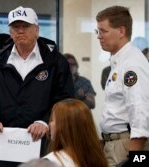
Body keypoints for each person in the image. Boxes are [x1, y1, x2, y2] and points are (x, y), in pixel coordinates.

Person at [0, 6, 74, 166]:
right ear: (10, 31)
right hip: (3, 142)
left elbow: (65, 100)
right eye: (15, 27)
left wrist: (45, 122)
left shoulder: (55, 61)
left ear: (36, 30)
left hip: (43, 142)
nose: (20, 31)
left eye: (25, 26)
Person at [96, 6, 149, 166]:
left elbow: (140, 113)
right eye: (97, 31)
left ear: (121, 31)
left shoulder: (132, 64)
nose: (99, 37)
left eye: (103, 31)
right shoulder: (120, 61)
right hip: (113, 143)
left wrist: (134, 160)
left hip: (125, 145)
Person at [43, 99, 108, 167]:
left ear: (66, 127)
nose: (50, 124)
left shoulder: (50, 162)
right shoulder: (98, 158)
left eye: (52, 120)